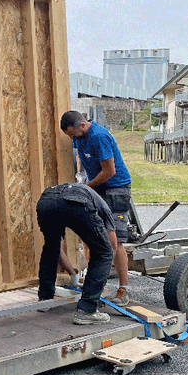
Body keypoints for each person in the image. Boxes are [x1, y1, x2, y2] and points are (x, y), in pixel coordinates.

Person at [60, 111, 132, 306]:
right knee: (90, 238)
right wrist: (80, 177)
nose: (72, 139)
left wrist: (86, 188)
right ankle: (94, 285)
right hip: (97, 188)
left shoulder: (99, 136)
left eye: (72, 134)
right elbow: (80, 157)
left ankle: (124, 289)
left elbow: (110, 171)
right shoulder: (79, 137)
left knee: (114, 241)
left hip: (116, 190)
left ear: (82, 126)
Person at [36, 183, 118, 324]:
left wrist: (73, 274)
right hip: (76, 202)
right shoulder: (105, 209)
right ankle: (87, 310)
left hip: (46, 200)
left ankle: (45, 299)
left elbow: (58, 248)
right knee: (104, 252)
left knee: (51, 246)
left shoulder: (86, 195)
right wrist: (98, 276)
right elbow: (112, 246)